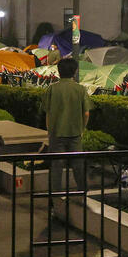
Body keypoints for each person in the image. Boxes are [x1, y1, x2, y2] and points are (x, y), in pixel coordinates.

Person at [40, 58, 93, 192]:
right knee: (78, 166)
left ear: (58, 71)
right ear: (74, 72)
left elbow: (47, 112)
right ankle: (82, 192)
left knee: (56, 166)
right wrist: (82, 129)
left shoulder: (52, 89)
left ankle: (55, 197)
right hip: (75, 134)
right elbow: (86, 113)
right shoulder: (80, 89)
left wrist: (49, 130)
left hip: (56, 133)